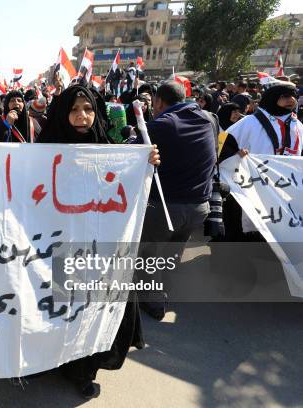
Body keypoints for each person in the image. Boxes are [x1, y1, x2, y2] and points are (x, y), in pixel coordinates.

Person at [36, 85, 158, 399]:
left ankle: (83, 370)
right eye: (74, 110)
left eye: (88, 109)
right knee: (60, 310)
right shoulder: (42, 152)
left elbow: (124, 187)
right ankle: (51, 360)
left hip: (97, 248)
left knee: (92, 311)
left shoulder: (108, 148)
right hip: (56, 246)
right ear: (62, 113)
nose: (82, 116)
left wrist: (146, 162)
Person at [135, 81, 216, 321]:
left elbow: (134, 152)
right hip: (200, 206)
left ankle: (154, 302)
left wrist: (132, 136)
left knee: (149, 254)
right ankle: (167, 288)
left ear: (159, 102)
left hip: (166, 208)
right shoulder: (209, 119)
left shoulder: (163, 124)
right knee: (173, 251)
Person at [218, 80, 302, 241]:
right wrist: (236, 156)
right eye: (285, 96)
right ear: (272, 98)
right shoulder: (250, 122)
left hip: (284, 191)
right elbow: (222, 144)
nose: (291, 100)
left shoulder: (297, 126)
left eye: (294, 96)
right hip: (252, 189)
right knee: (246, 234)